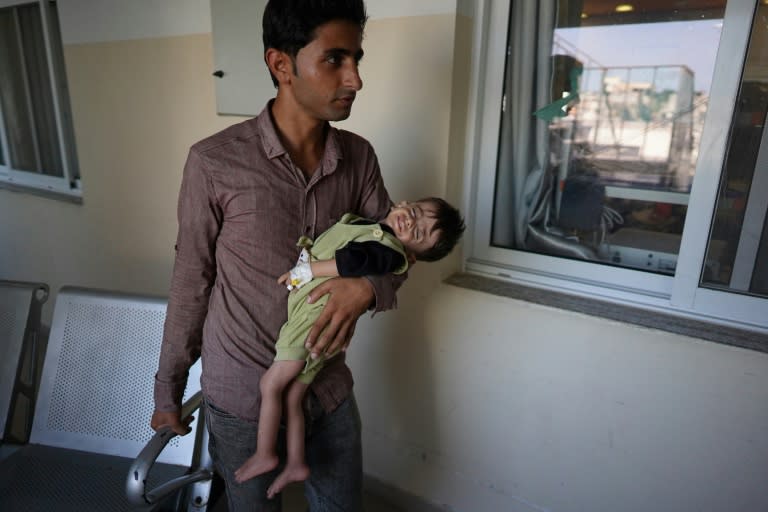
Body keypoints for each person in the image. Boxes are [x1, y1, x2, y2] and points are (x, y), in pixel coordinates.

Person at [151, 1, 411, 510]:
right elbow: (191, 279)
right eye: (335, 59)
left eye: (357, 58)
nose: (355, 78)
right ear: (281, 65)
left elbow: (398, 246)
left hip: (328, 388)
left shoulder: (359, 157)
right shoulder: (215, 162)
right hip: (244, 396)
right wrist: (168, 389)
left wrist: (367, 288)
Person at [234, 198, 465, 497]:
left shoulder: (387, 251)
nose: (410, 222)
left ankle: (264, 453)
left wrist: (306, 271)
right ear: (405, 202)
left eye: (418, 233)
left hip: (312, 323)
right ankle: (296, 461)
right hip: (322, 327)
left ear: (413, 255)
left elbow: (349, 262)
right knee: (293, 396)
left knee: (270, 385)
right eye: (416, 212)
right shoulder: (373, 229)